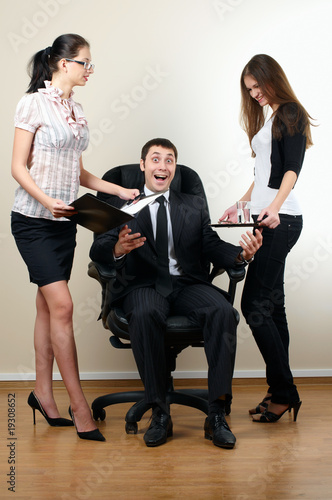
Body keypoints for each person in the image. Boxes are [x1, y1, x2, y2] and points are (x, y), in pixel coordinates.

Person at [90, 138, 263, 448]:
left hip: (187, 285)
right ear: (142, 166)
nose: (163, 166)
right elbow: (98, 248)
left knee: (222, 311)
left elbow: (210, 244)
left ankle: (217, 413)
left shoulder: (192, 204)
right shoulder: (121, 204)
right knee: (144, 313)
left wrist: (241, 256)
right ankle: (159, 411)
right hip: (142, 285)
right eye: (155, 159)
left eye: (169, 160)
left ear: (174, 169)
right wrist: (117, 249)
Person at [10, 33, 139, 442]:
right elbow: (17, 167)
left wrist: (118, 191)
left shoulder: (76, 111)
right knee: (63, 307)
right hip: (33, 221)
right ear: (63, 63)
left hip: (67, 221)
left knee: (47, 310)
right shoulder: (32, 103)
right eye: (85, 62)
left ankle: (42, 394)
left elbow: (78, 174)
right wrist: (48, 201)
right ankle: (79, 405)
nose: (90, 69)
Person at [219, 54, 314, 423]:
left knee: (254, 306)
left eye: (258, 86)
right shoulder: (269, 118)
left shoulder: (290, 112)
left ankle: (285, 392)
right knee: (273, 308)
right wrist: (241, 205)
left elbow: (291, 170)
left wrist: (273, 208)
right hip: (267, 217)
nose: (255, 94)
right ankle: (280, 391)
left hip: (282, 219)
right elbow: (263, 175)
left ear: (272, 79)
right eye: (249, 89)